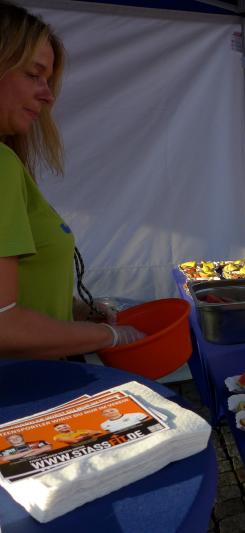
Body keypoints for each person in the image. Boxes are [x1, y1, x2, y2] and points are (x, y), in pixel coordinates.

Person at [0, 1, 144, 358]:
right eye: (33, 75)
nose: (47, 95)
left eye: (48, 80)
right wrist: (109, 336)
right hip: (27, 384)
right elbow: (4, 324)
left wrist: (77, 312)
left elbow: (23, 294)